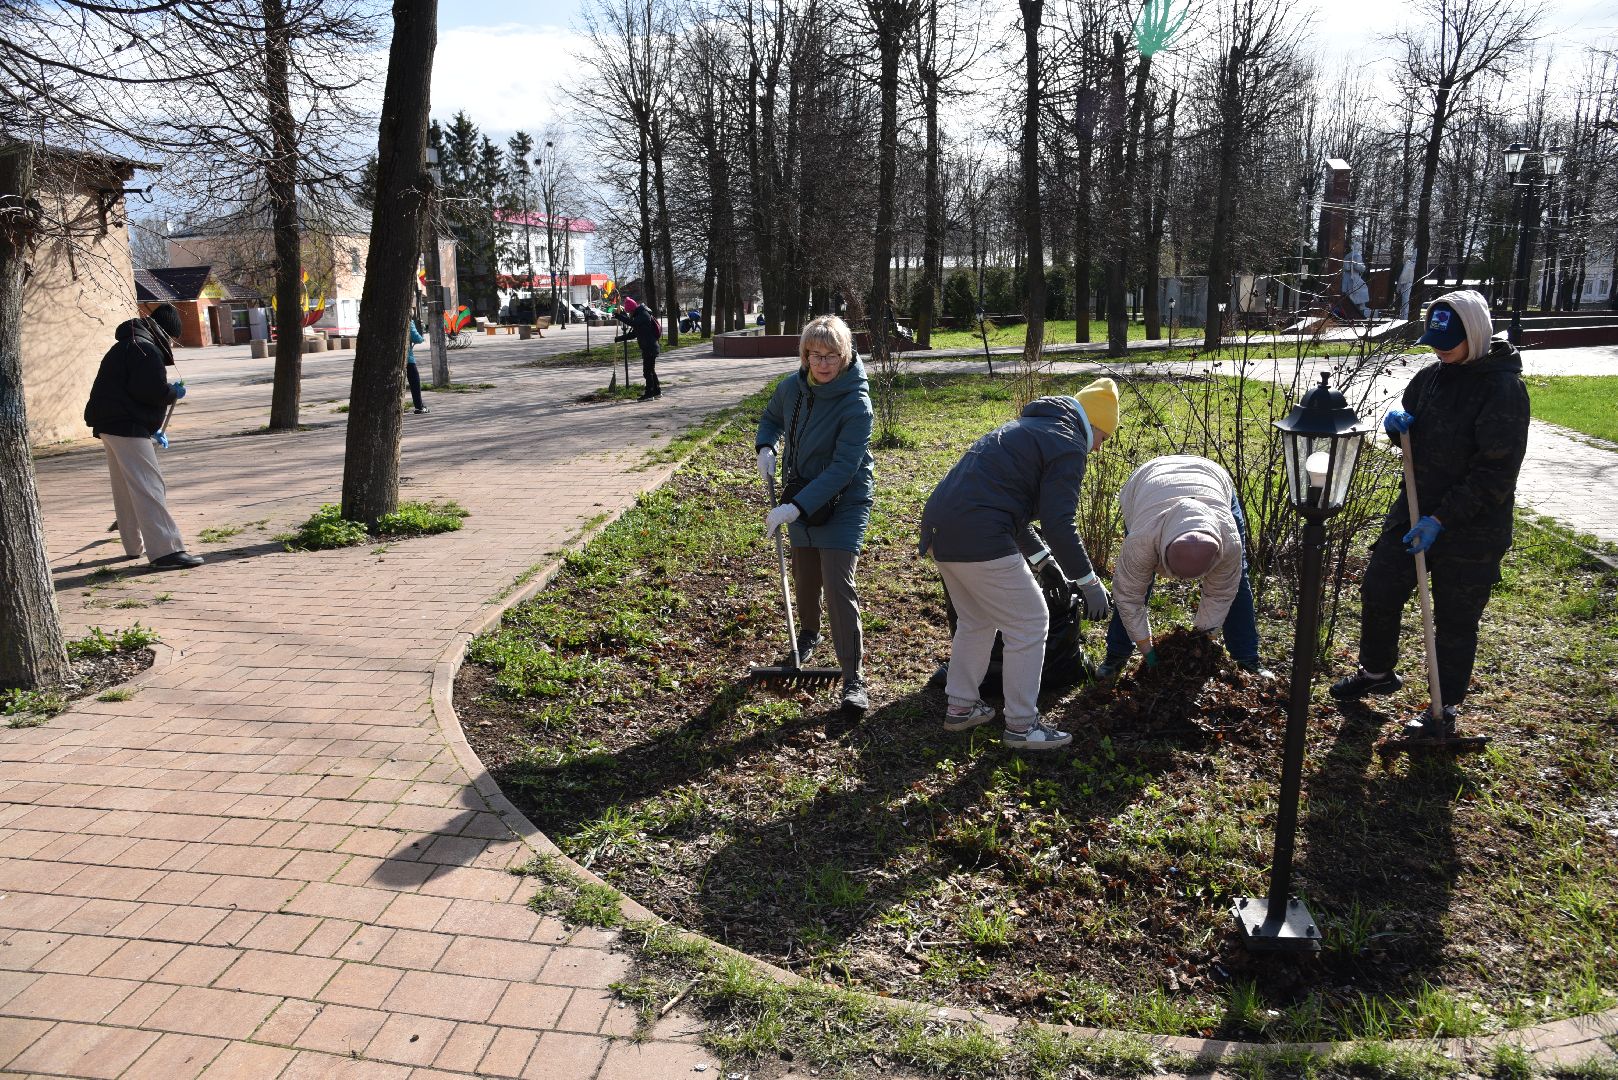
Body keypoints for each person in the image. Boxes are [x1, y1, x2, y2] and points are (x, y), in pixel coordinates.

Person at [1329, 289, 1530, 738]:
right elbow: (1412, 437)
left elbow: (1495, 474)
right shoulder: (1431, 377)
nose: (1440, 350)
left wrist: (1441, 520)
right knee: (1380, 584)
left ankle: (1445, 709)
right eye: (1435, 342)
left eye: (1449, 342)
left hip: (1472, 528)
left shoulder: (1503, 389)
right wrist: (1397, 425)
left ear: (1475, 335)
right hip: (1414, 508)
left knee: (1455, 620)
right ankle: (1377, 673)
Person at [918, 379, 1120, 752]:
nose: (1097, 448)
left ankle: (961, 707)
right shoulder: (1067, 443)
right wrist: (1089, 582)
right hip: (980, 532)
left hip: (941, 527)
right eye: (1102, 438)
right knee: (1030, 622)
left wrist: (1045, 563)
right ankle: (1023, 726)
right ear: (1092, 425)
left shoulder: (1028, 429)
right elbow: (1060, 523)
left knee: (977, 620)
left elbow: (1012, 509)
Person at [756, 315, 875, 714]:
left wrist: (795, 507)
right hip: (801, 491)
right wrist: (766, 447)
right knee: (806, 573)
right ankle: (808, 634)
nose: (822, 364)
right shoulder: (792, 388)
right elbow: (771, 418)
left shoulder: (856, 403)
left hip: (844, 500)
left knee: (838, 581)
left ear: (846, 354)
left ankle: (853, 678)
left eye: (831, 355)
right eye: (814, 355)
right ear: (804, 355)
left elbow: (844, 468)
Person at [1097, 455, 1273, 681]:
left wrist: (1197, 646)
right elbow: (1129, 597)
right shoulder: (1142, 539)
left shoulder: (1229, 541)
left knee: (1237, 581)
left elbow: (1220, 594)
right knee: (1137, 581)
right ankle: (1116, 654)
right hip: (1149, 484)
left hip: (1211, 479)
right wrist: (1148, 651)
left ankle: (1247, 658)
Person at [83, 302, 203, 570]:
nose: (171, 343)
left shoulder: (127, 344)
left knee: (126, 488)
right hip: (127, 425)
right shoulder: (145, 349)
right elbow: (149, 391)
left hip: (110, 423)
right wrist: (172, 392)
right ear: (165, 332)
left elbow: (131, 388)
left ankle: (133, 545)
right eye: (172, 338)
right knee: (149, 486)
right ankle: (165, 551)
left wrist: (154, 424)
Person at [614, 295, 661, 400]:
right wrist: (619, 338)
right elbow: (634, 334)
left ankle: (649, 394)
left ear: (632, 310)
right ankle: (657, 391)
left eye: (629, 312)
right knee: (651, 370)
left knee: (647, 372)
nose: (629, 314)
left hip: (650, 347)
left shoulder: (643, 314)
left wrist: (620, 316)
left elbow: (632, 323)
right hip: (649, 347)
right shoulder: (639, 316)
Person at [405, 318, 427, 414]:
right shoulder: (408, 321)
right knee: (414, 381)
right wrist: (421, 338)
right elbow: (416, 338)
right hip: (407, 358)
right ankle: (419, 406)